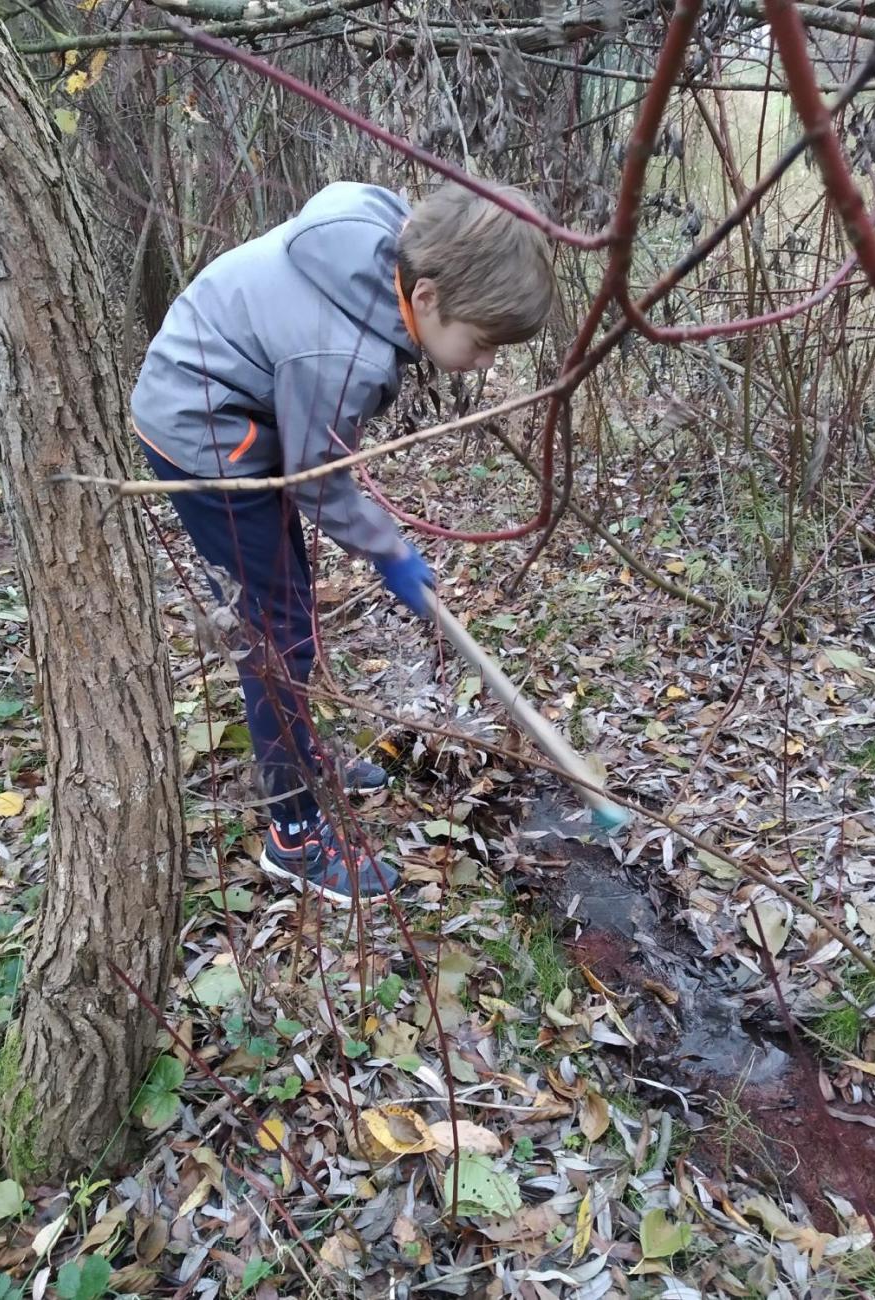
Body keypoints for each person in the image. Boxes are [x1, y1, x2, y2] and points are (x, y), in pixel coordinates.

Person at [131, 180, 554, 906]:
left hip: (239, 410)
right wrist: (390, 552)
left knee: (286, 609)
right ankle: (293, 836)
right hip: (204, 436)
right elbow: (318, 481)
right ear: (424, 297)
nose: (485, 364)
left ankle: (302, 757)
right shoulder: (339, 354)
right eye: (482, 343)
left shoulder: (381, 236)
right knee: (274, 638)